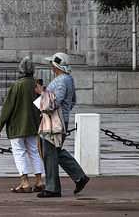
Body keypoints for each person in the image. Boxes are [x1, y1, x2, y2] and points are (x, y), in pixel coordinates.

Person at [37, 52, 90, 198]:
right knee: (56, 151)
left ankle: (53, 188)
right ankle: (79, 176)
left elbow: (54, 102)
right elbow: (72, 101)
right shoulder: (69, 79)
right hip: (60, 120)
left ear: (56, 66)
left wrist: (42, 92)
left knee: (49, 153)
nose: (51, 67)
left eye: (52, 65)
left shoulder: (61, 81)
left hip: (54, 121)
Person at [0, 57, 44, 193]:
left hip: (17, 126)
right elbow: (41, 105)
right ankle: (39, 180)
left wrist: (0, 125)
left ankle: (25, 182)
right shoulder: (36, 85)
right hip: (33, 125)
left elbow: (8, 107)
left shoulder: (17, 85)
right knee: (34, 152)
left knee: (19, 153)